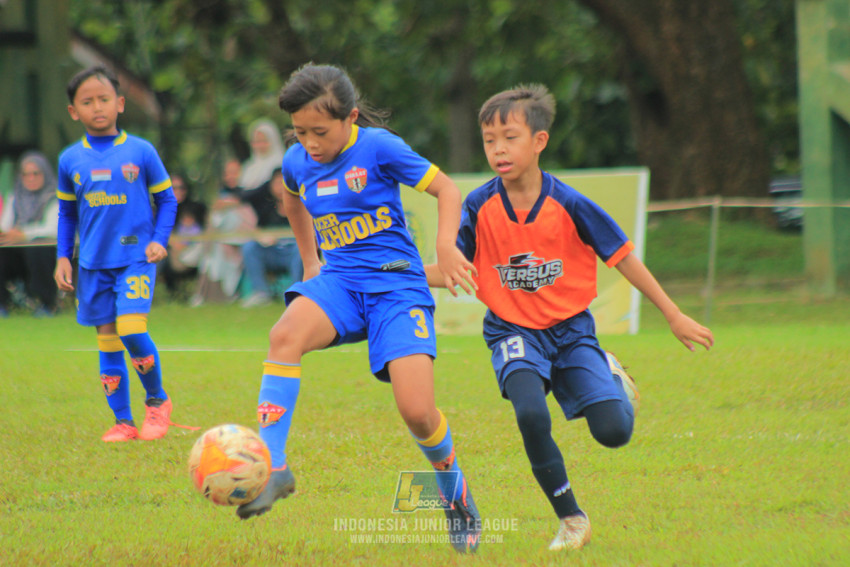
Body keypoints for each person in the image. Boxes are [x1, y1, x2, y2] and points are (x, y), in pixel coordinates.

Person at [426, 84, 714, 551]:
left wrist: (674, 314)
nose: (498, 149)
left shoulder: (572, 204)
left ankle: (611, 374)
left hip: (572, 331)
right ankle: (571, 518)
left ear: (538, 141)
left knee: (614, 433)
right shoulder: (478, 207)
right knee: (530, 413)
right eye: (489, 140)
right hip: (512, 330)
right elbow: (453, 270)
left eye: (510, 137)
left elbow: (623, 258)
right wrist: (393, 279)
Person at [236, 63, 482, 554]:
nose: (309, 143)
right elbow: (292, 200)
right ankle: (275, 465)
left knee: (417, 411)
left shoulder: (379, 147)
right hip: (340, 283)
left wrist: (447, 246)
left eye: (319, 132)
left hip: (398, 290)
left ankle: (455, 495)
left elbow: (447, 189)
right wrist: (310, 261)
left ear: (349, 118)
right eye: (300, 132)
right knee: (284, 335)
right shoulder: (297, 160)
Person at [54, 65, 187, 443]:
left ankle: (158, 403)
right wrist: (64, 257)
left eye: (104, 99)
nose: (97, 107)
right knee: (108, 340)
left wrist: (159, 239)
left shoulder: (141, 151)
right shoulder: (69, 160)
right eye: (87, 101)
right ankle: (124, 423)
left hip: (135, 258)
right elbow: (67, 213)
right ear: (73, 111)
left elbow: (166, 200)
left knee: (131, 328)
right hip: (93, 264)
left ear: (120, 103)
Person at [0, 151, 60, 317]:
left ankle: (47, 304)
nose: (30, 178)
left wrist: (24, 234)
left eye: (35, 173)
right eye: (25, 174)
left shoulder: (55, 196)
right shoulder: (15, 196)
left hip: (47, 252)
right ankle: (2, 304)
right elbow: (5, 225)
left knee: (37, 248)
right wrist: (7, 234)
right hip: (18, 250)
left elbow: (52, 229)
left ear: (45, 173)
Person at [239, 167, 303, 307]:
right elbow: (258, 231)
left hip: (294, 252)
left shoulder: (301, 206)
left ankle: (296, 293)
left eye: (284, 183)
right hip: (273, 251)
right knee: (250, 247)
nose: (280, 187)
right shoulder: (266, 209)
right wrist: (262, 238)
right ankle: (261, 292)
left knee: (301, 250)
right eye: (277, 183)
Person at [161, 173, 207, 299]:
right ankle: (173, 295)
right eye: (174, 188)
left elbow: (205, 231)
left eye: (181, 188)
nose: (178, 191)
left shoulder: (197, 208)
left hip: (195, 250)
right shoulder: (163, 210)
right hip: (171, 252)